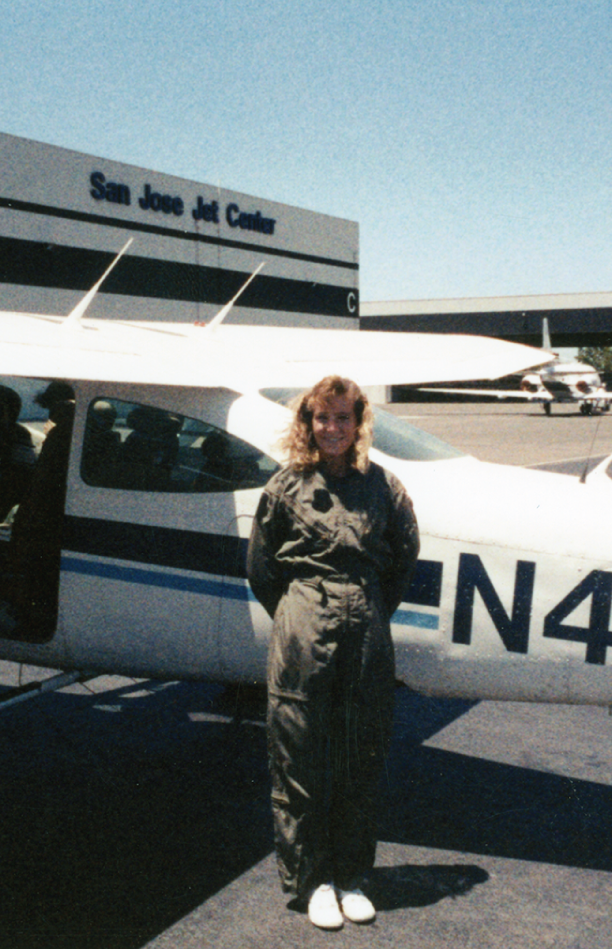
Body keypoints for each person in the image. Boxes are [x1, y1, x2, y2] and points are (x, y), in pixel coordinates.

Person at [247, 375, 420, 930]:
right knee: (301, 760)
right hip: (303, 631)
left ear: (359, 422)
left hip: (366, 632)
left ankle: (350, 877)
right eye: (323, 418)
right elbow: (262, 569)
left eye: (343, 418)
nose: (333, 429)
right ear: (308, 423)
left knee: (359, 757)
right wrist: (304, 611)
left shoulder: (385, 489)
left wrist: (363, 607)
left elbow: (402, 560)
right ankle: (313, 881)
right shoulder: (282, 488)